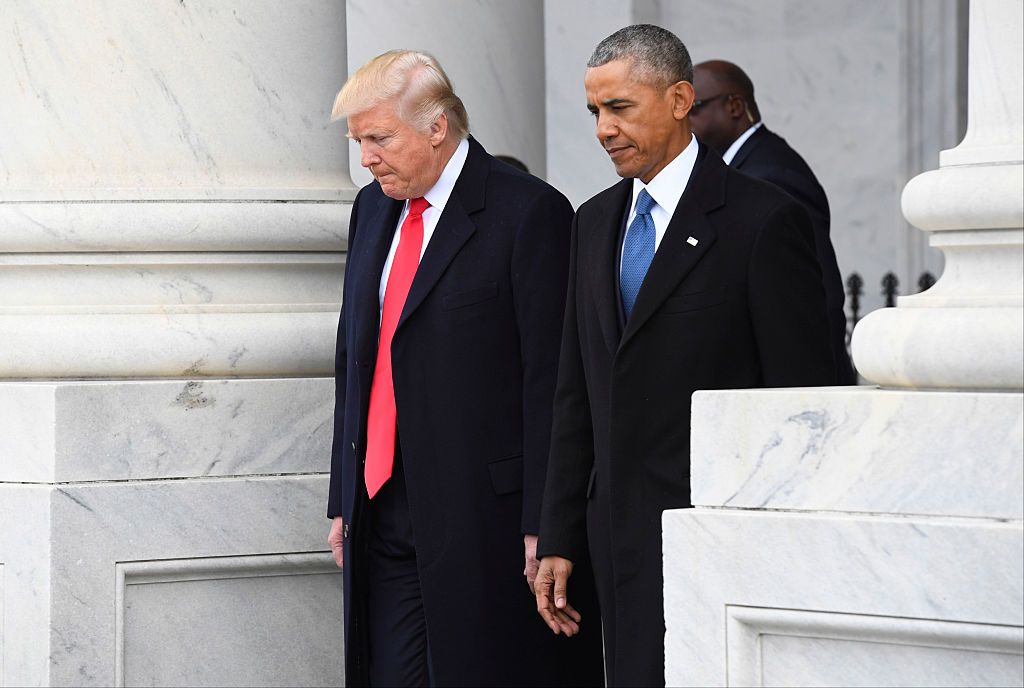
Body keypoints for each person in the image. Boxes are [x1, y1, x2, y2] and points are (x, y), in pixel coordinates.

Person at [533, 25, 837, 686]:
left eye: (620, 108)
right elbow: (575, 389)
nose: (603, 130)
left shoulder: (763, 220)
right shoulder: (591, 221)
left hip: (722, 538)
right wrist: (556, 532)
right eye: (594, 112)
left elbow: (806, 398)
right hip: (615, 539)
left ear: (677, 100)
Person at [326, 50, 603, 687]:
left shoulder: (528, 211)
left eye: (379, 138)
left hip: (488, 520)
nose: (366, 158)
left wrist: (546, 519)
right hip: (383, 508)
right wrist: (345, 494)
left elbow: (551, 381)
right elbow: (356, 359)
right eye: (358, 141)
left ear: (436, 127)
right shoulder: (372, 209)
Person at [689, 59, 855, 384]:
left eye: (693, 108)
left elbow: (818, 295)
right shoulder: (741, 168)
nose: (683, 121)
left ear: (734, 105)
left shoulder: (773, 175)